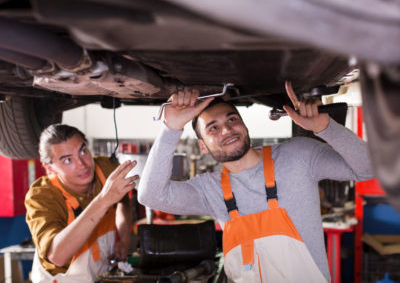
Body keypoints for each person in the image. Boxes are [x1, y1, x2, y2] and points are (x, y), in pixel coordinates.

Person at [138, 81, 375, 282]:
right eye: (213, 128)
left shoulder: (297, 156)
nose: (227, 130)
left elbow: (369, 169)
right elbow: (150, 196)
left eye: (232, 120)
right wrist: (170, 128)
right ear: (203, 147)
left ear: (244, 124)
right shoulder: (209, 190)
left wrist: (326, 128)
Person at [25, 124, 138, 283]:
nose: (82, 165)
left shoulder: (106, 169)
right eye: (68, 160)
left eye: (83, 151)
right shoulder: (42, 196)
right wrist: (103, 200)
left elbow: (123, 201)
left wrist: (124, 238)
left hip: (101, 274)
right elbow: (57, 256)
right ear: (49, 168)